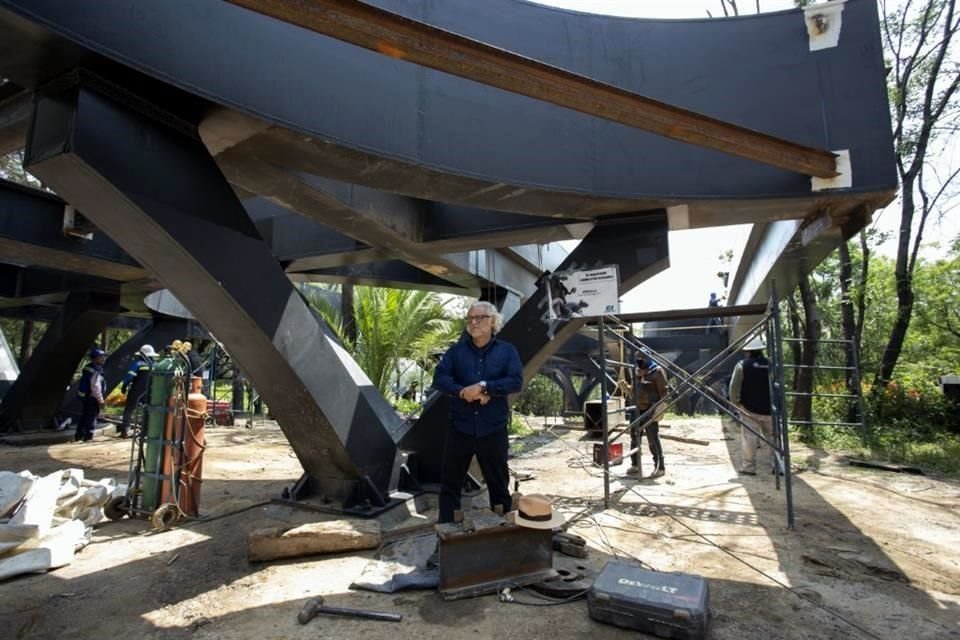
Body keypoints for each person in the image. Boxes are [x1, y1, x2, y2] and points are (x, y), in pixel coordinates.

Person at [433, 301, 523, 527]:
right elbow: (440, 378)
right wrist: (463, 392)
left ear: (492, 321)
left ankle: (502, 530)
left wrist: (485, 388)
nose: (473, 322)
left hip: (493, 428)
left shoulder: (507, 351)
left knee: (499, 484)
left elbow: (515, 381)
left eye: (479, 318)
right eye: (470, 318)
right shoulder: (456, 351)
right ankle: (445, 535)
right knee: (450, 485)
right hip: (460, 428)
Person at [728, 337, 776, 476]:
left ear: (747, 352)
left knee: (750, 438)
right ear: (760, 350)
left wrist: (736, 405)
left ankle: (749, 467)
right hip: (770, 409)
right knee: (773, 438)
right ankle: (777, 466)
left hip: (749, 409)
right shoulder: (771, 364)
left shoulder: (742, 365)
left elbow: (733, 388)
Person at [628, 354, 668, 478]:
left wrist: (661, 407)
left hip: (650, 409)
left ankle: (659, 466)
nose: (640, 361)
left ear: (647, 359)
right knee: (634, 437)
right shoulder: (637, 372)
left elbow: (665, 391)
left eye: (642, 358)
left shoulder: (657, 372)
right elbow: (634, 390)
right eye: (638, 359)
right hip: (636, 409)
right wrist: (627, 388)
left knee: (652, 438)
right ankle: (635, 464)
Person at [118, 344, 157, 438]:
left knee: (129, 409)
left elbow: (129, 377)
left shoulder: (138, 364)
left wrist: (124, 386)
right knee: (147, 410)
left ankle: (125, 431)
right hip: (150, 391)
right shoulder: (156, 365)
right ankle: (145, 431)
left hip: (136, 390)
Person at [75, 347, 107, 442]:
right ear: (96, 358)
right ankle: (88, 436)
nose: (103, 359)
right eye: (102, 357)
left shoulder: (88, 367)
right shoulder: (96, 370)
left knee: (84, 415)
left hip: (85, 396)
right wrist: (100, 400)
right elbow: (95, 387)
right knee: (91, 416)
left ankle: (79, 435)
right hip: (92, 397)